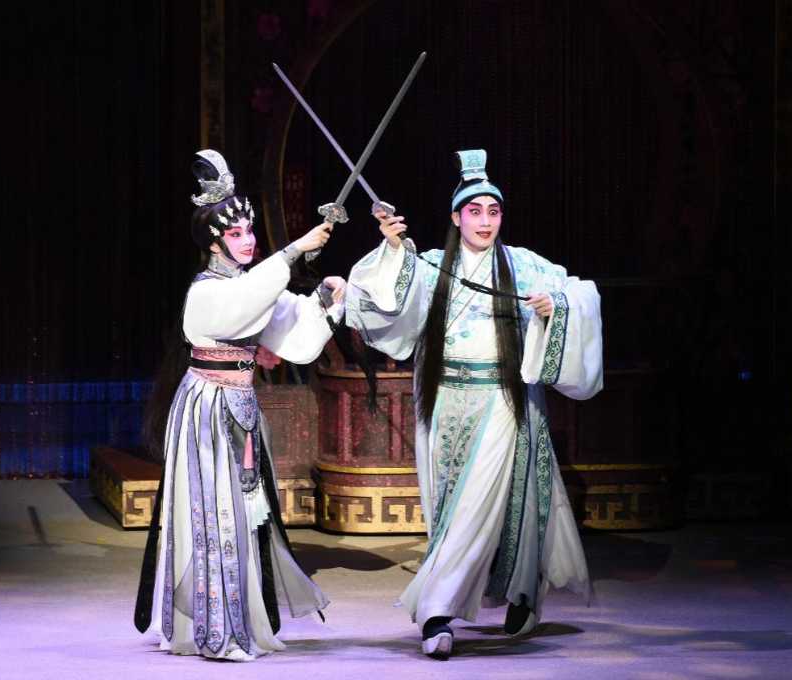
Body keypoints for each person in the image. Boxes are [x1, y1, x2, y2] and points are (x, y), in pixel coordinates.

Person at [345, 149, 602, 658]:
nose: (485, 221)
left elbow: (581, 294)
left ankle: (441, 611)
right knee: (454, 511)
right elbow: (386, 304)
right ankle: (491, 600)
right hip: (447, 403)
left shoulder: (524, 265)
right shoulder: (430, 265)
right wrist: (394, 249)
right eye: (475, 211)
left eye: (494, 211)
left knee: (490, 508)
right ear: (456, 217)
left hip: (505, 404)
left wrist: (555, 307)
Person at [139, 149, 343, 661]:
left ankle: (241, 621)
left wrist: (325, 298)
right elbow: (246, 304)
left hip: (242, 407)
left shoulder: (248, 285)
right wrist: (293, 250)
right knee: (216, 519)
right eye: (235, 233)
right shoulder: (208, 291)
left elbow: (290, 325)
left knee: (246, 518)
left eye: (250, 230)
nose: (248, 240)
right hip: (207, 411)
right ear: (214, 243)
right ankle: (216, 631)